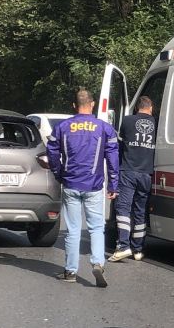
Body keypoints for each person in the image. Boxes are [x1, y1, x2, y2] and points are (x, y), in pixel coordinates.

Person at [45, 88, 120, 287]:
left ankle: (70, 271)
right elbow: (113, 159)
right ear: (93, 104)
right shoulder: (104, 128)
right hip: (94, 185)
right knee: (96, 228)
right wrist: (114, 184)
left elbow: (51, 152)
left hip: (70, 183)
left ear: (73, 105)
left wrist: (58, 173)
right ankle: (98, 263)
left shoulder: (62, 127)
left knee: (73, 230)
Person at [109, 95, 157, 263]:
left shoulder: (128, 121)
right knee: (140, 211)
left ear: (137, 107)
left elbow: (119, 147)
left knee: (123, 209)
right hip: (146, 174)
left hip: (128, 171)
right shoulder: (156, 124)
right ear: (151, 108)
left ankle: (123, 246)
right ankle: (137, 249)